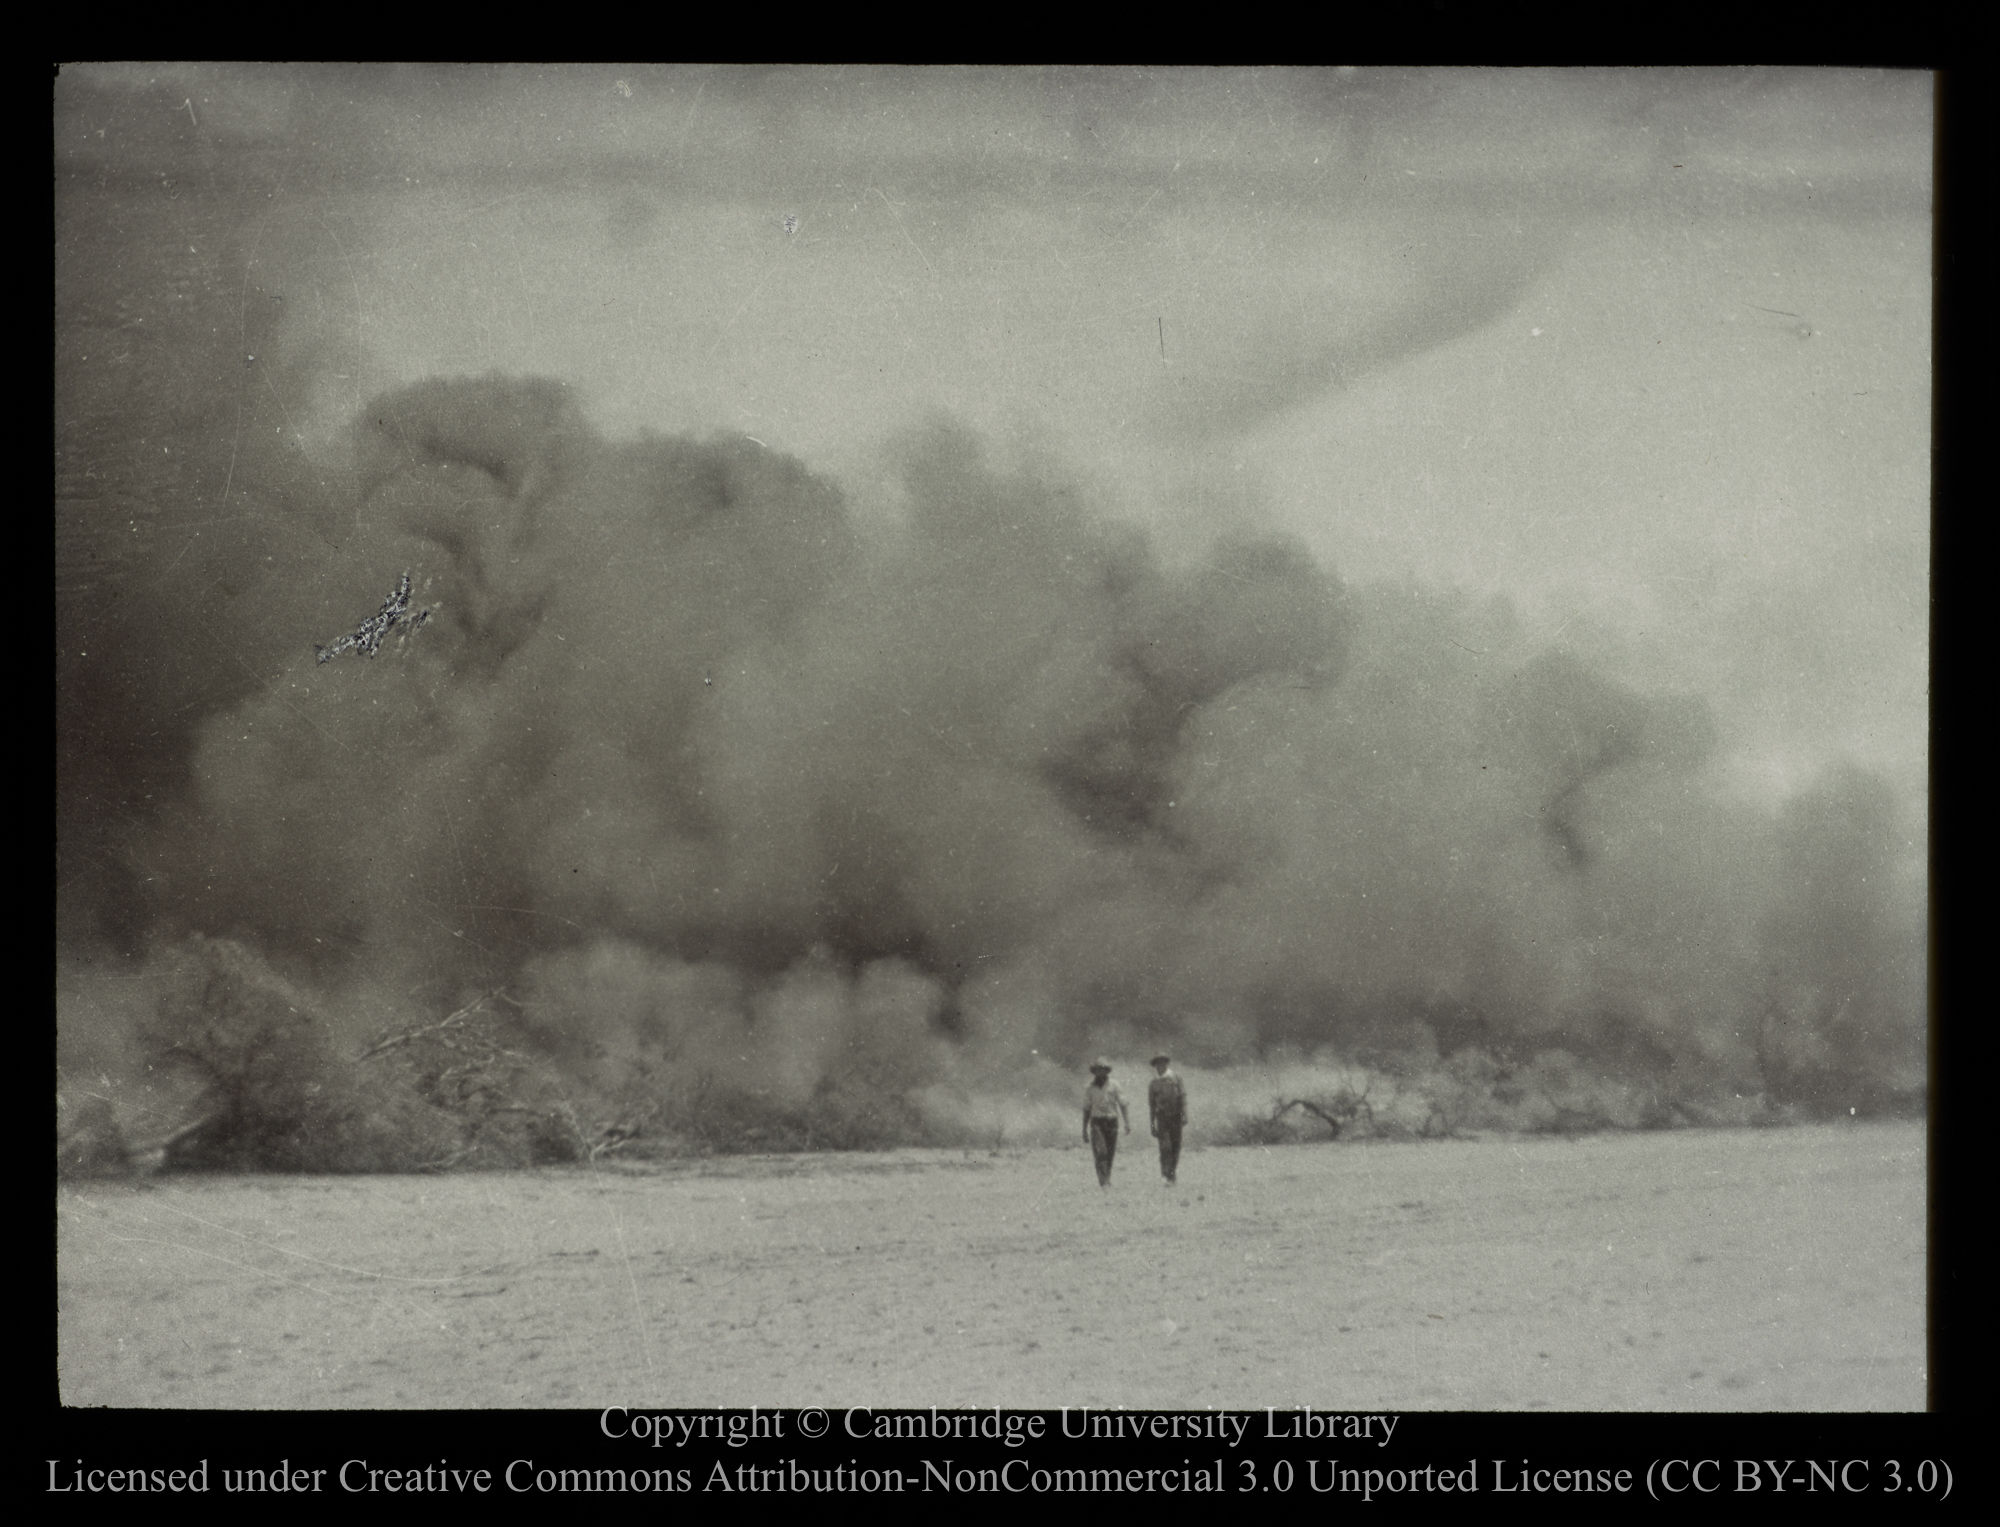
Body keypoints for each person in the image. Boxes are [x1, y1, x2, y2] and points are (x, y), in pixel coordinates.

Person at [1081, 1058, 1131, 1187]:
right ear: (1095, 1072)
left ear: (1107, 1071)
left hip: (1112, 1122)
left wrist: (1127, 1122)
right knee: (1100, 1151)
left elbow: (1123, 1104)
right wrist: (1084, 1130)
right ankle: (1103, 1181)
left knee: (1109, 1152)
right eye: (1098, 1070)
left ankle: (1106, 1176)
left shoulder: (1114, 1085)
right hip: (1097, 1122)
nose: (1100, 1072)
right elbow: (1086, 1109)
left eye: (1103, 1069)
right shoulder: (1090, 1089)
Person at [1148, 1053, 1187, 1185]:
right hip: (1162, 1117)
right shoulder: (1153, 1083)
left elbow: (1182, 1096)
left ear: (1166, 1064)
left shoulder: (1176, 1078)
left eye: (1162, 1063)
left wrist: (1185, 1114)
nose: (1160, 1066)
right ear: (1155, 1066)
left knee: (1176, 1146)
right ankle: (1165, 1174)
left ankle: (1172, 1173)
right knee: (1165, 1147)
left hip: (1176, 1116)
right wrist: (1152, 1124)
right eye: (1157, 1064)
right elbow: (1152, 1105)